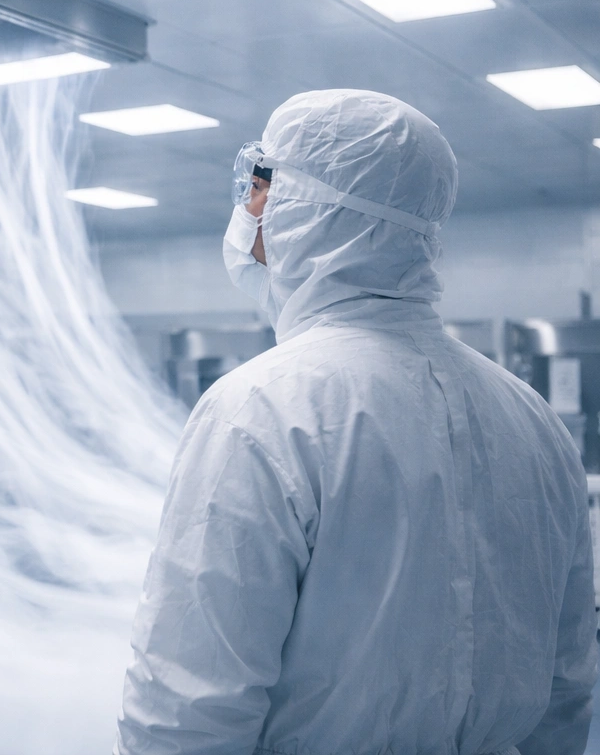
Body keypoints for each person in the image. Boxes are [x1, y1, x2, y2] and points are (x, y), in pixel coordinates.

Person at [116, 89, 598, 755]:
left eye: (261, 189)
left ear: (305, 212)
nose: (249, 213)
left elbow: (187, 709)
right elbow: (566, 687)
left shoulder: (260, 409)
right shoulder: (533, 419)